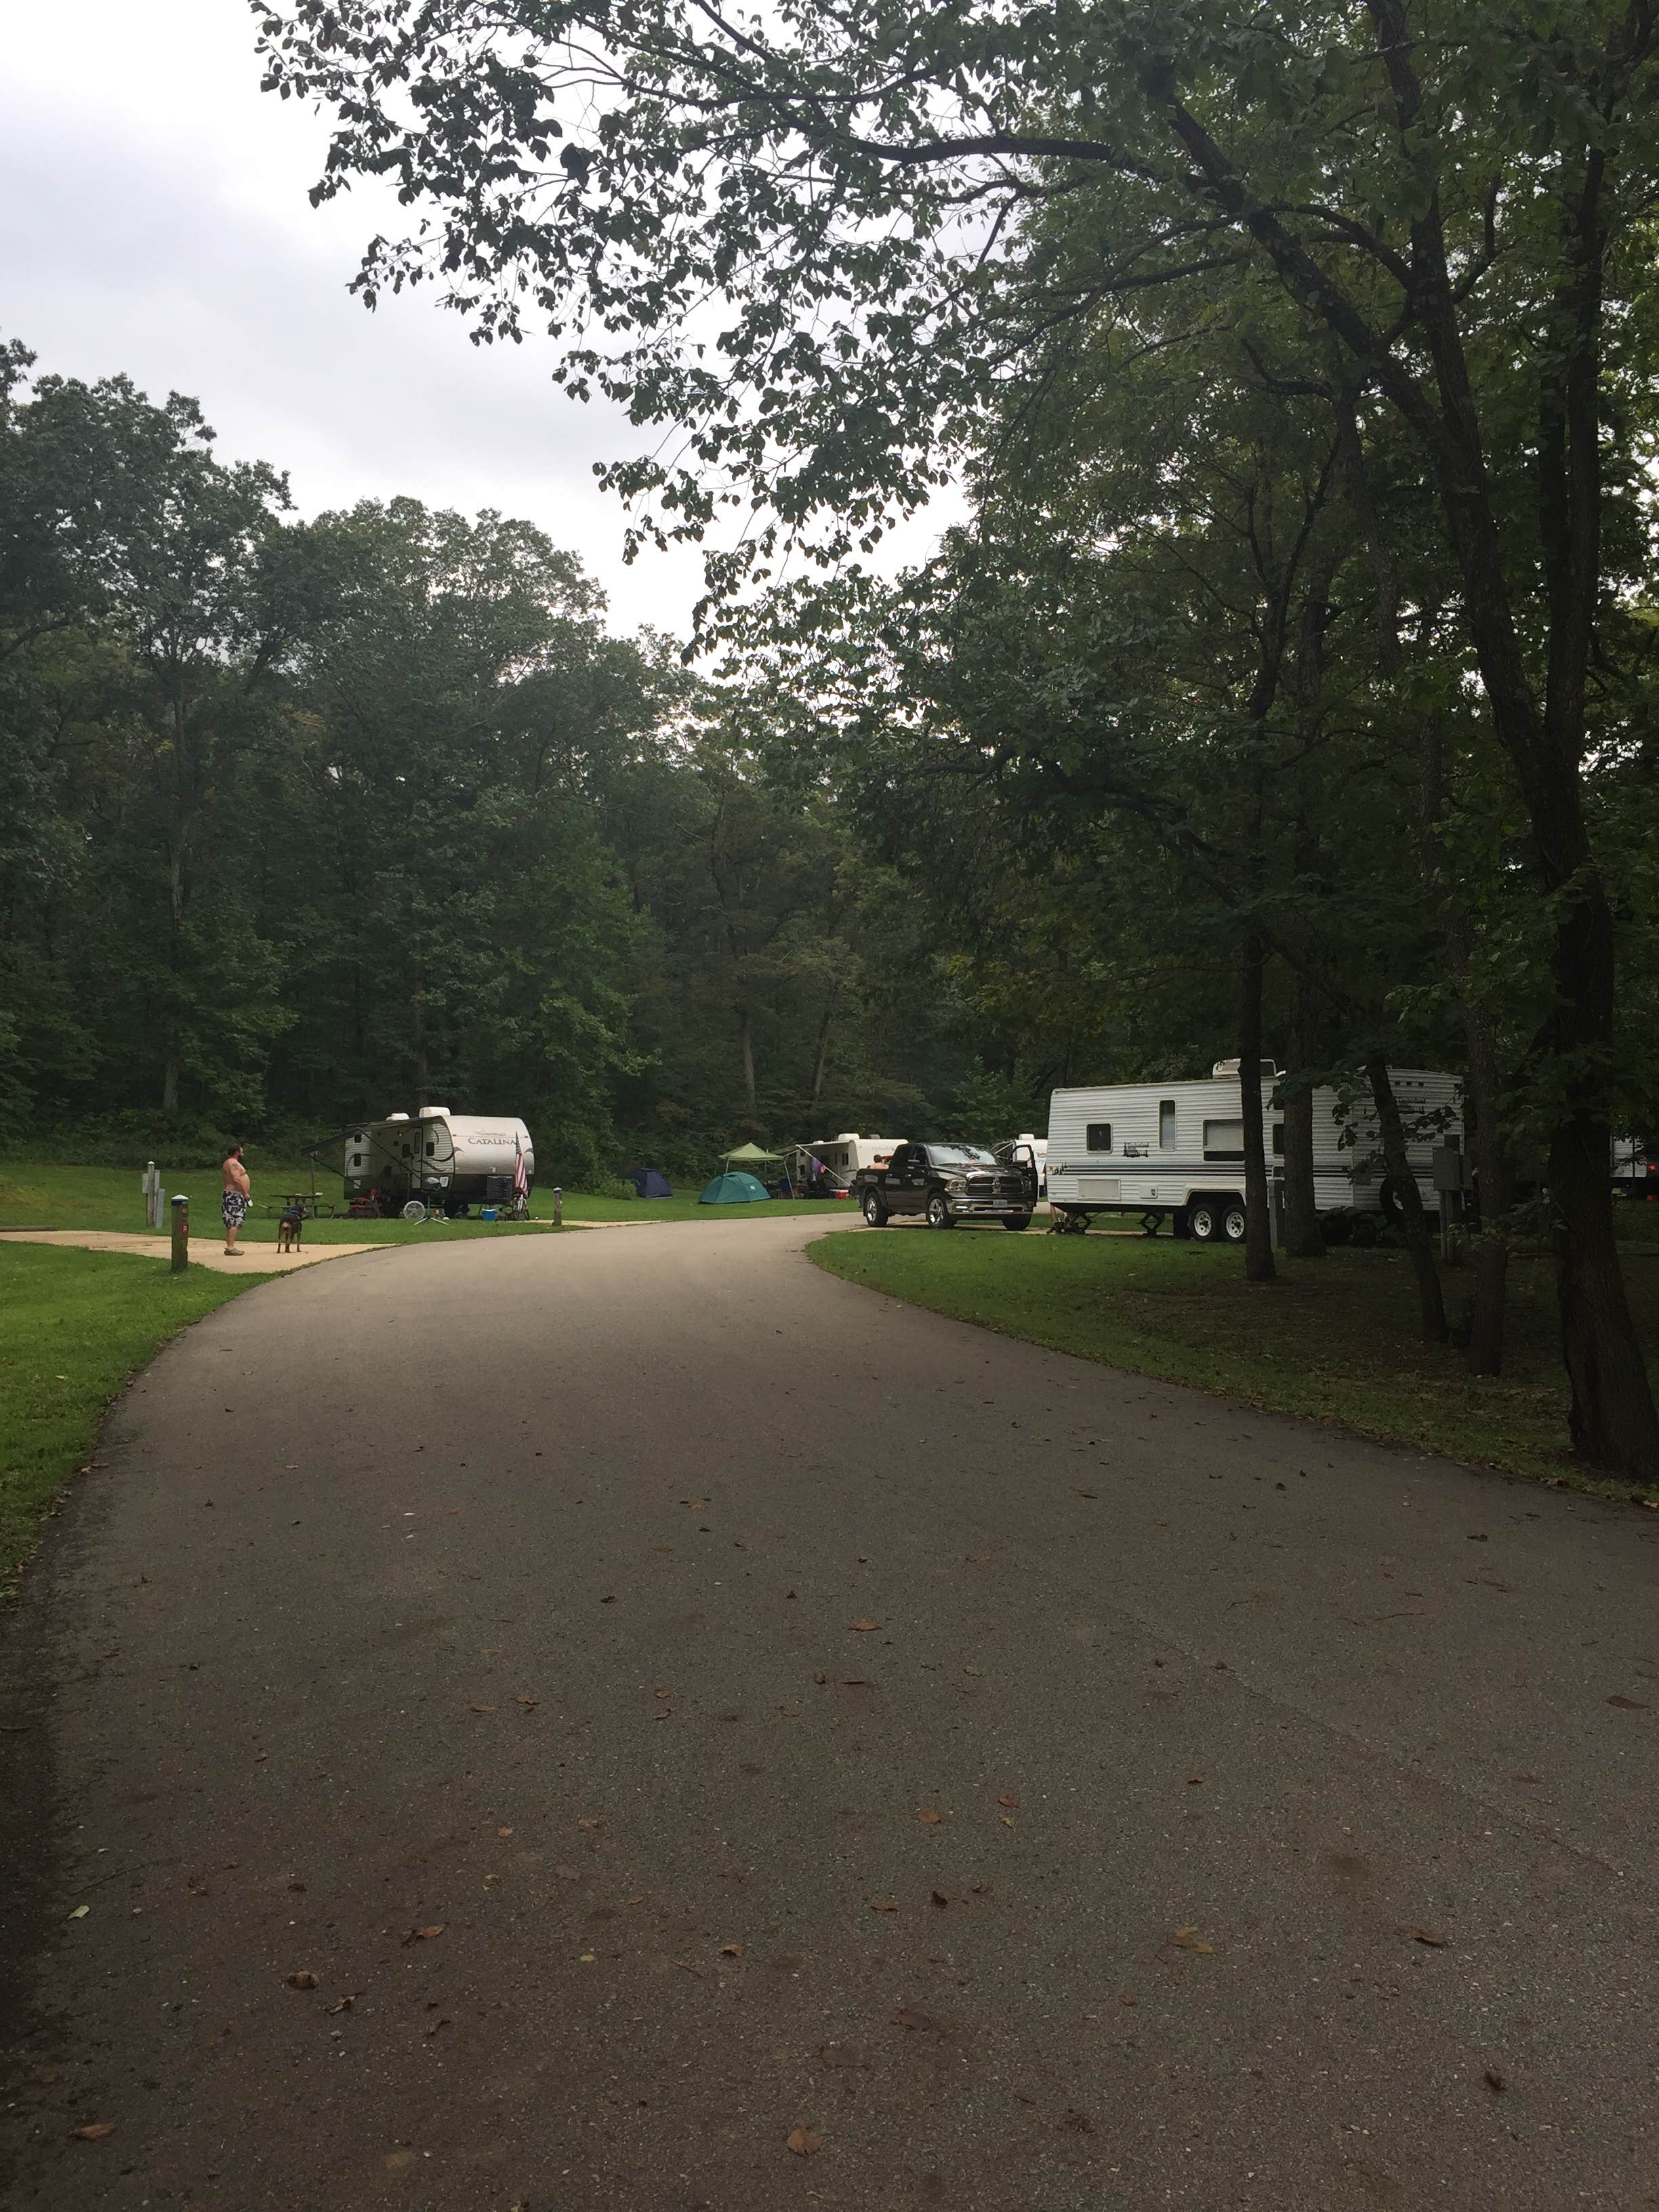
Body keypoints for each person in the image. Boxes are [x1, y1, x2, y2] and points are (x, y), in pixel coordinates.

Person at [222, 1145, 251, 1255]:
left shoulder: (227, 1162)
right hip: (235, 1196)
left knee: (231, 1221)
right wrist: (245, 1193)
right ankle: (231, 1247)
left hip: (231, 1195)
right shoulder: (233, 1163)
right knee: (235, 1220)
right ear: (237, 1152)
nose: (242, 1153)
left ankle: (230, 1245)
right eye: (241, 1151)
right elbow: (236, 1179)